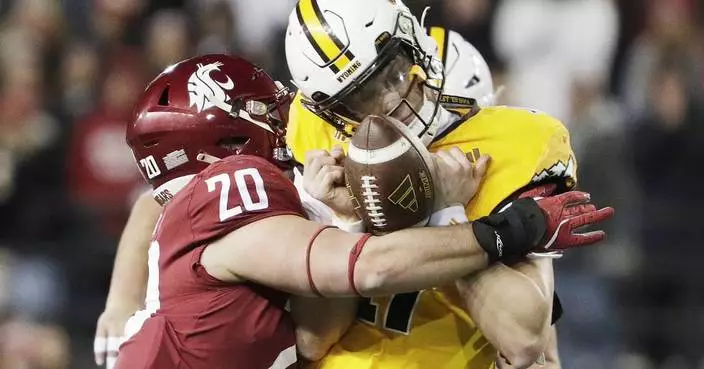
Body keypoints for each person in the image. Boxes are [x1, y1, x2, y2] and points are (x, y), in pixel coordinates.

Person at [107, 54, 610, 369]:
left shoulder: (246, 194)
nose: (286, 119)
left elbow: (530, 345)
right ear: (229, 137)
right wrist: (506, 224)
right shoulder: (235, 189)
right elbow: (369, 266)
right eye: (268, 111)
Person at [284, 0, 603, 367]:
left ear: (414, 41)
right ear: (334, 113)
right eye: (362, 97)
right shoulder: (323, 144)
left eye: (393, 71)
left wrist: (448, 214)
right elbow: (313, 340)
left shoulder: (509, 143)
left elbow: (523, 342)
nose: (389, 99)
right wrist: (339, 222)